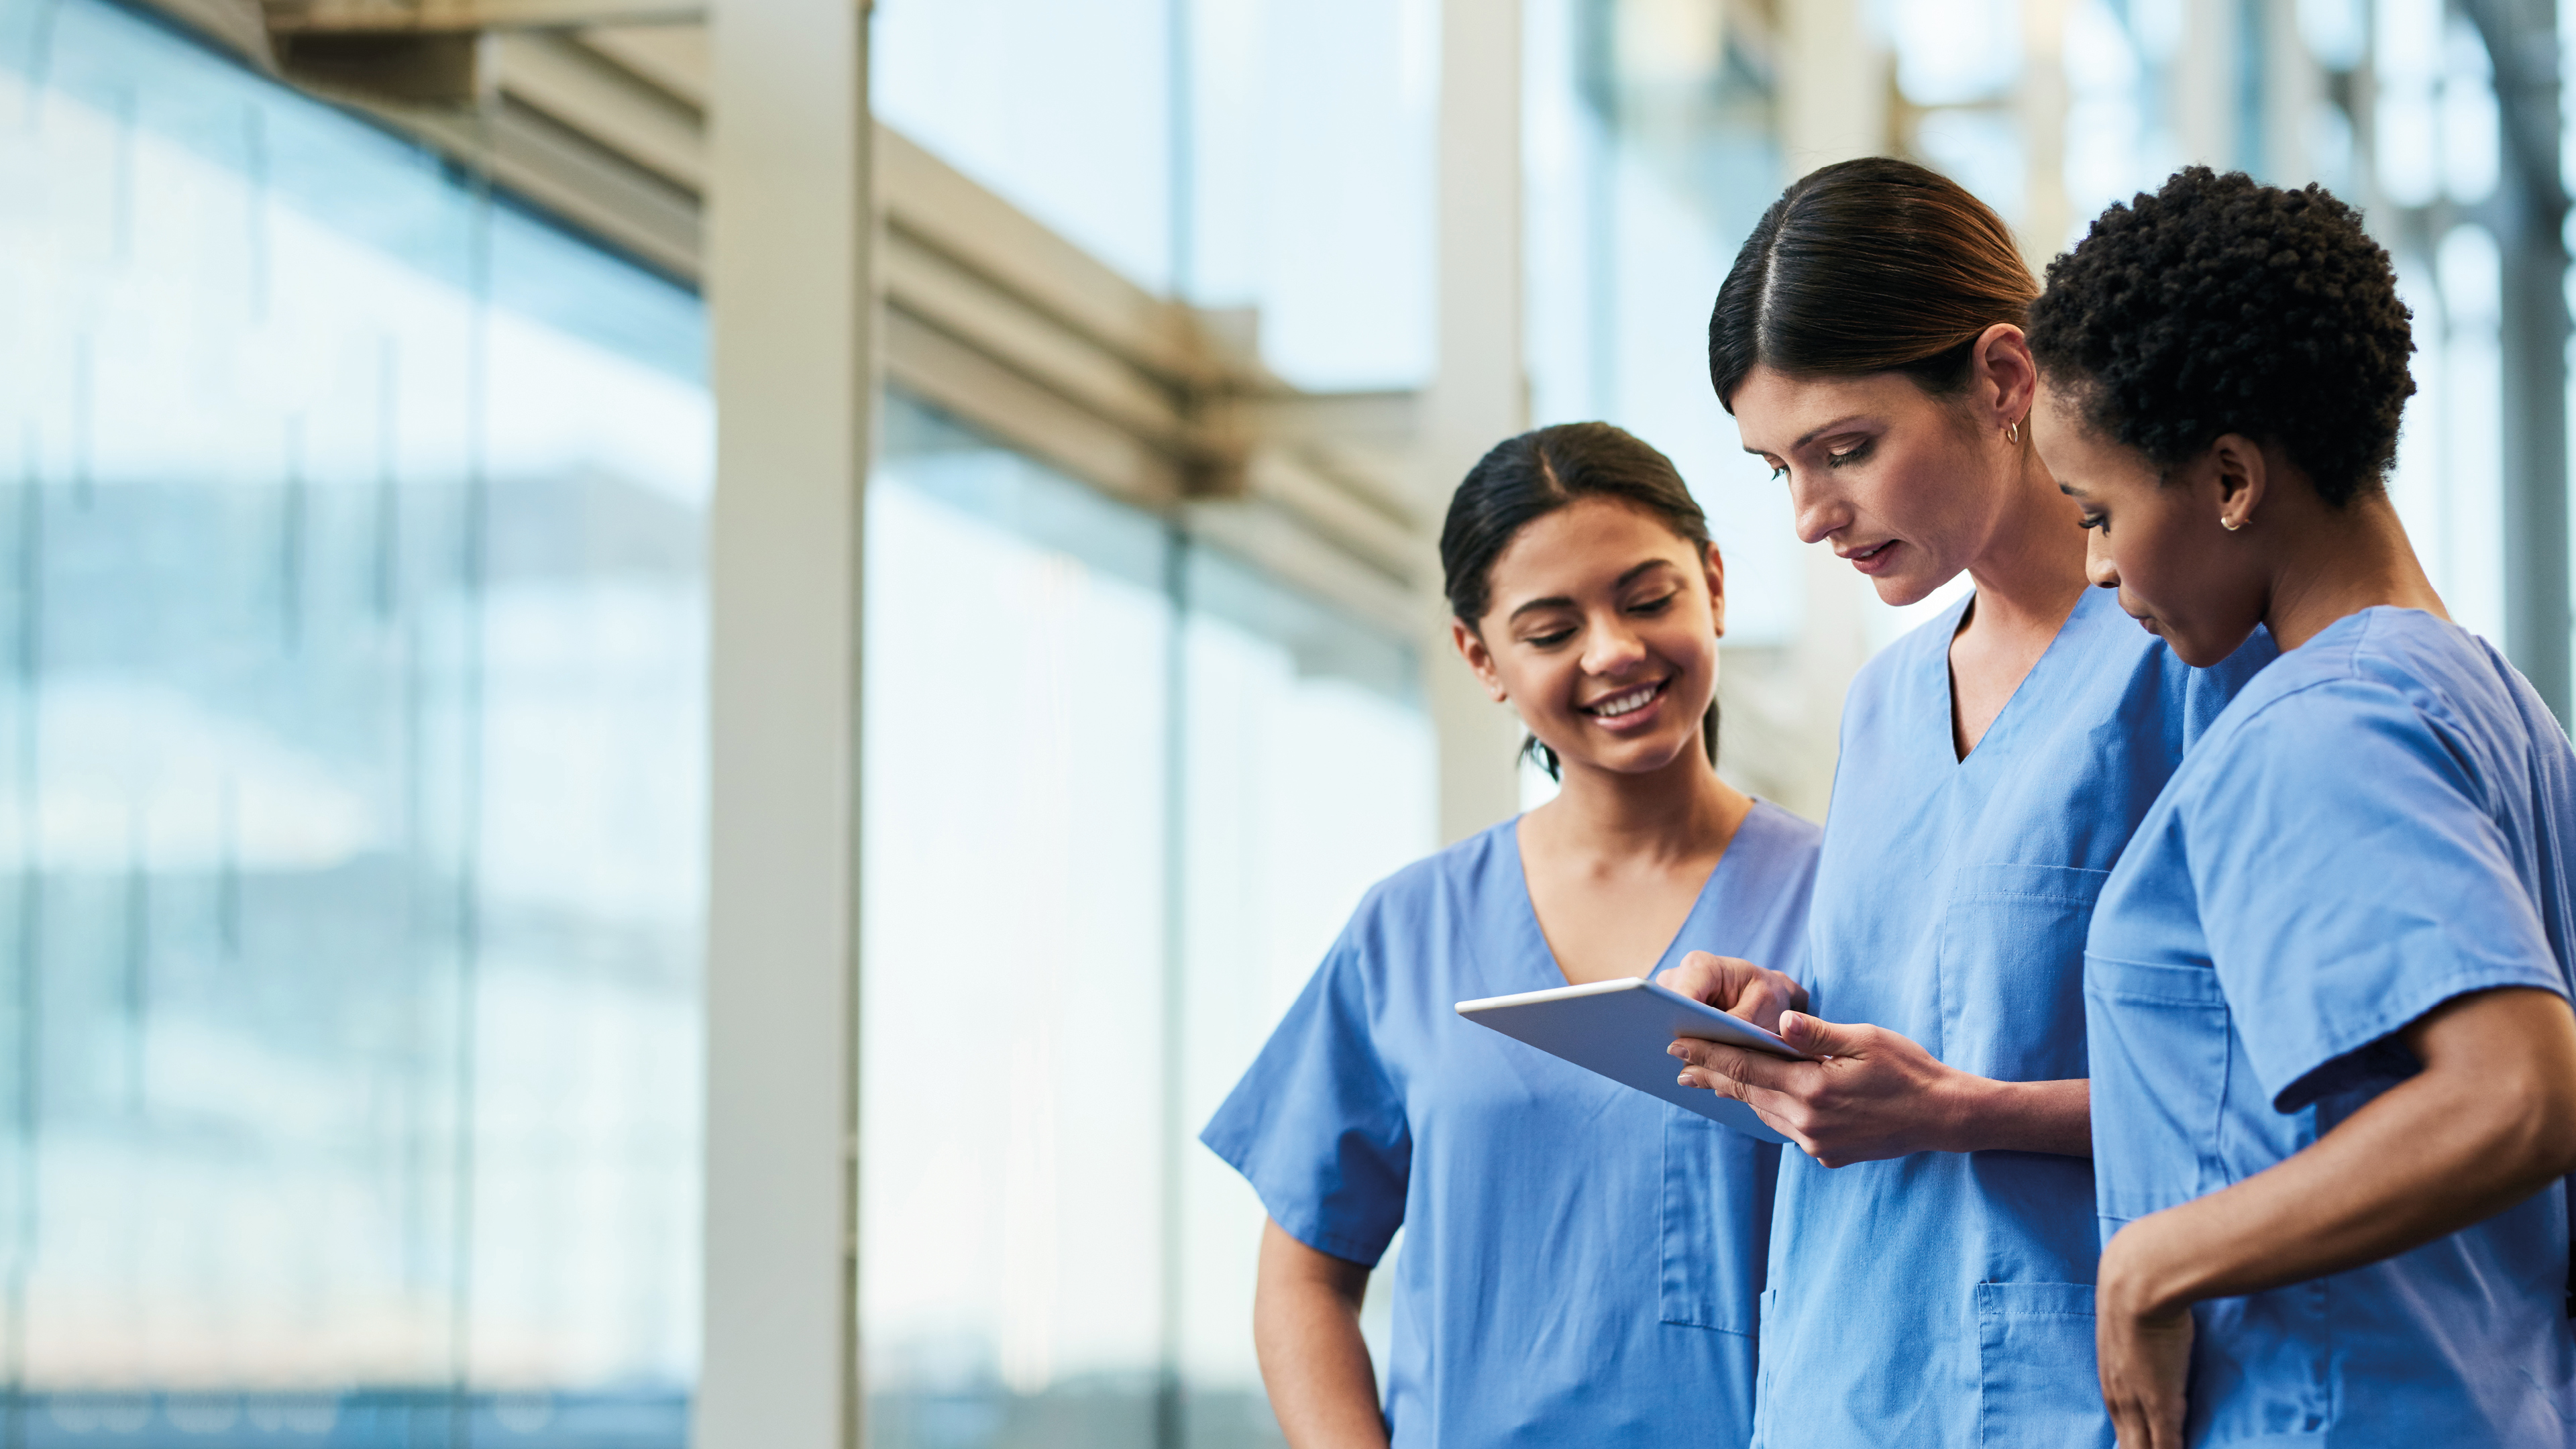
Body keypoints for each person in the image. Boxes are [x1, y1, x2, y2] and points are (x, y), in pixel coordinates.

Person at [1664, 157, 2272, 1448]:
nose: (1814, 518)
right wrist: (1785, 1022)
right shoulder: (1884, 709)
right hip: (1845, 1377)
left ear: (2003, 380)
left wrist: (1959, 1112)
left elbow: (2301, 1101)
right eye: (1779, 468)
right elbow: (1930, 1002)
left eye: (1847, 449)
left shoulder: (2202, 659)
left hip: (2072, 1396)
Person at [2026, 167, 2576, 1448]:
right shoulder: (2493, 707)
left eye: (2100, 512)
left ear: (2229, 476)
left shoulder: (2319, 728)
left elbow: (2519, 1093)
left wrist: (2154, 1261)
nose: (2100, 566)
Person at [1199, 422, 1819, 1448]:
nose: (1613, 650)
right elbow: (1304, 1276)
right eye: (1549, 630)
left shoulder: (1840, 897)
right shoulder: (1408, 930)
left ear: (1713, 583)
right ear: (1480, 658)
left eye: (1647, 597)